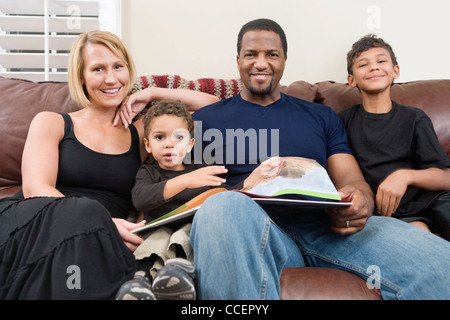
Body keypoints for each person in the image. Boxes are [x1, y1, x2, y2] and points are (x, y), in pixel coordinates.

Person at [117, 19, 450, 300]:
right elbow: (161, 158)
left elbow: (351, 178)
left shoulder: (321, 116)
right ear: (238, 60)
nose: (261, 62)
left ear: (284, 60)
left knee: (439, 262)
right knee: (221, 207)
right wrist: (143, 96)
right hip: (252, 228)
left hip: (327, 227)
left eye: (271, 54)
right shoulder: (206, 120)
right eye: (251, 54)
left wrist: (360, 198)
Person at [0, 30, 218, 299]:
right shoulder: (52, 121)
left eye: (118, 67)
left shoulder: (142, 133)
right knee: (84, 210)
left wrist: (151, 92)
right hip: (36, 223)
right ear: (81, 75)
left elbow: (213, 108)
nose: (111, 78)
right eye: (98, 69)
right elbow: (36, 188)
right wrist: (102, 219)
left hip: (95, 240)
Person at [339, 34, 450, 240]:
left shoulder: (414, 118)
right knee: (419, 238)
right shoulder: (344, 122)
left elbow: (446, 178)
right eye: (363, 64)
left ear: (395, 72)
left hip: (433, 202)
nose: (374, 67)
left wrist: (405, 176)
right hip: (391, 215)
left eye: (381, 61)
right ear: (351, 80)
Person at [117, 99, 227, 300]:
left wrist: (254, 179)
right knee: (158, 236)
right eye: (160, 137)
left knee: (185, 233)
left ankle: (177, 277)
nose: (169, 144)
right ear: (148, 145)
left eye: (178, 137)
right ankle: (140, 281)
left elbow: (225, 196)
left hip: (189, 235)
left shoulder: (200, 171)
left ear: (190, 144)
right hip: (155, 233)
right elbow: (140, 199)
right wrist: (184, 181)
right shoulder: (147, 172)